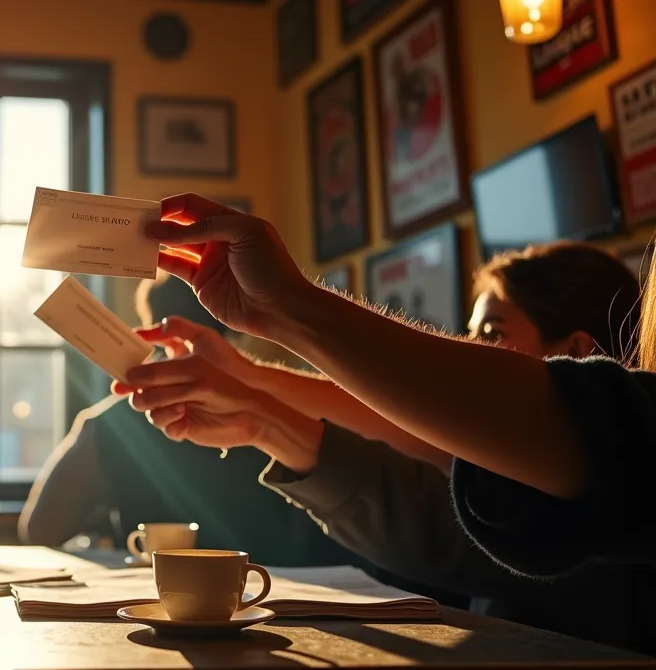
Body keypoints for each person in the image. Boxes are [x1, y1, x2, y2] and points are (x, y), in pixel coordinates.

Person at [120, 243, 653, 651]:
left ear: (584, 355)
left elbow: (431, 522)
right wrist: (254, 387)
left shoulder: (611, 508)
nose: (468, 354)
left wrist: (266, 379)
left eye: (490, 335)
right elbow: (425, 436)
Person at [19, 275, 371, 570]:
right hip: (298, 604)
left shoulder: (112, 424)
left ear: (155, 327)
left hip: (165, 607)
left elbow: (39, 530)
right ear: (236, 325)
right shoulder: (295, 406)